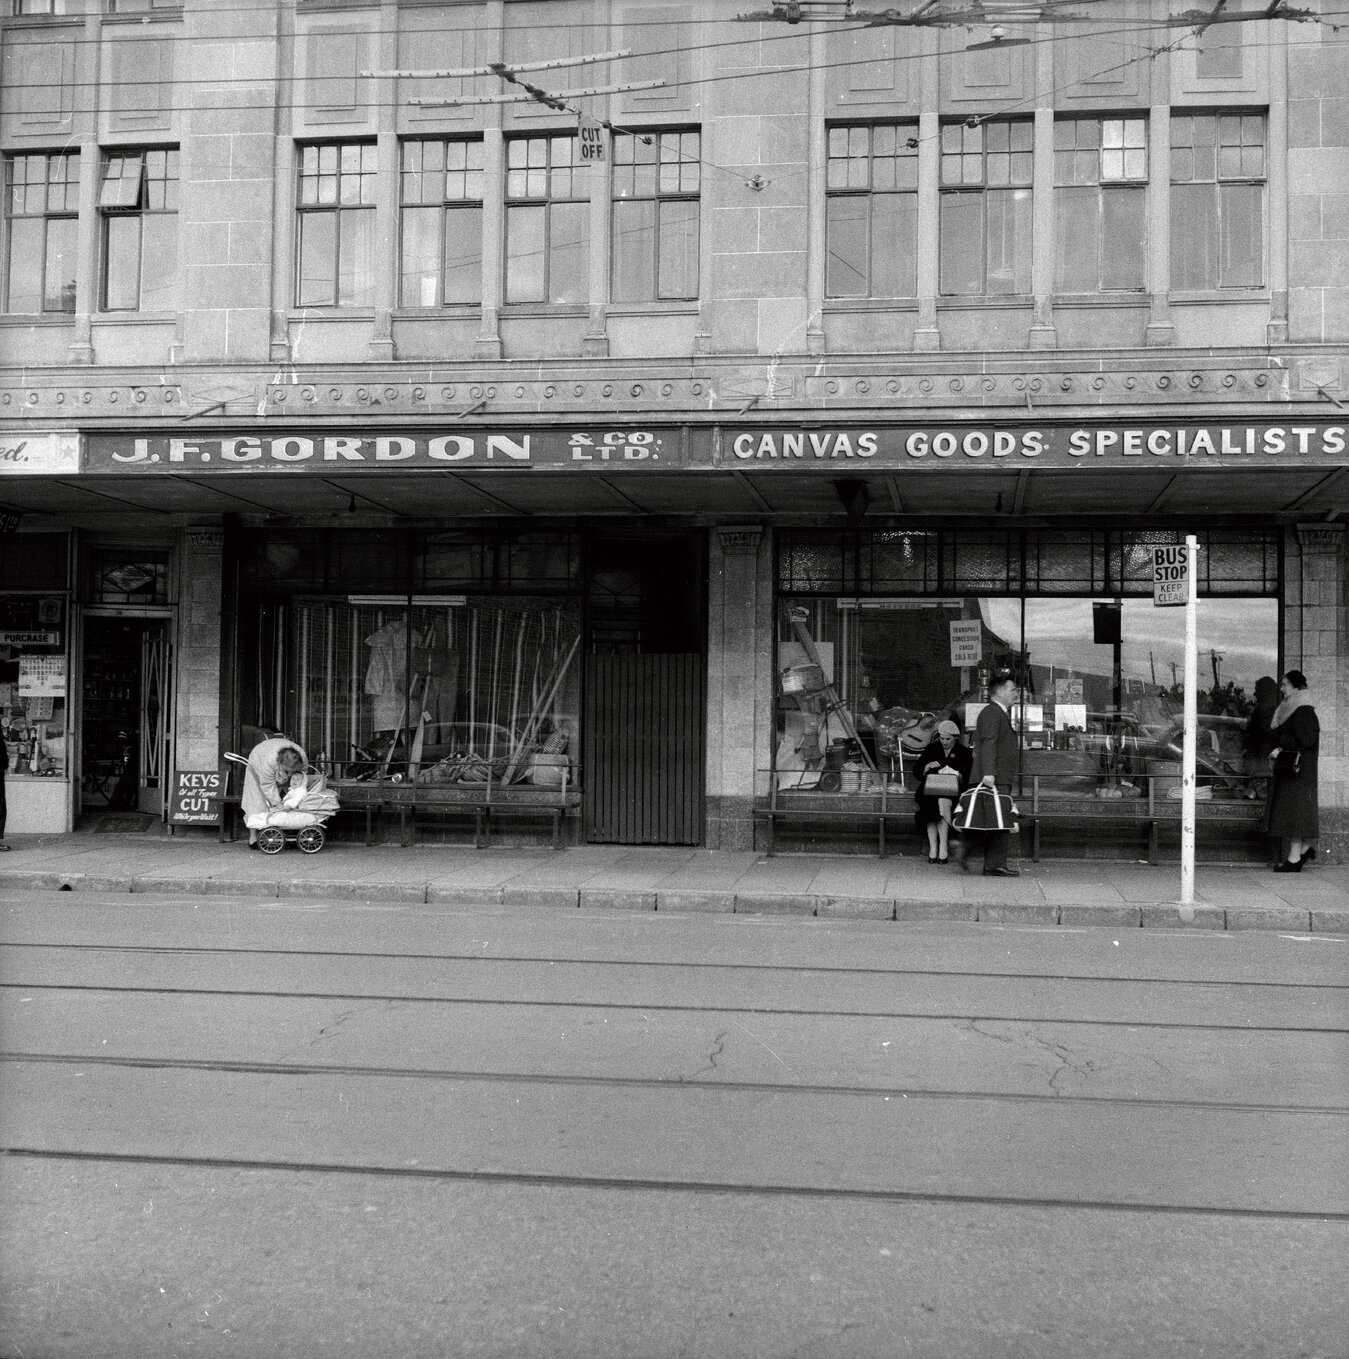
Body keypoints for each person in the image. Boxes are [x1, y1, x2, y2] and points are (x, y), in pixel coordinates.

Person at [965, 670, 1021, 877]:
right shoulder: (992, 712)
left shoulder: (997, 712)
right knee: (998, 820)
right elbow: (989, 741)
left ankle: (979, 856)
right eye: (1013, 690)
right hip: (994, 777)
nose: (1016, 693)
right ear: (999, 692)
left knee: (993, 820)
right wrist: (988, 772)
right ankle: (991, 862)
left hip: (998, 775)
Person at [1266, 670, 1319, 873]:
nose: (1281, 689)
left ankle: (1296, 857)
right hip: (1297, 769)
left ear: (1296, 687)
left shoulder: (1302, 708)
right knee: (1296, 812)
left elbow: (1305, 739)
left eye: (1285, 684)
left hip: (1298, 770)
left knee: (1295, 813)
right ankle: (1303, 851)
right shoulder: (1295, 707)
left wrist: (1281, 747)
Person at [913, 719, 973, 864]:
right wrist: (927, 767)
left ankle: (942, 847)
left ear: (955, 738)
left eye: (948, 739)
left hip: (952, 791)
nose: (944, 742)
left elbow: (969, 774)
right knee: (931, 804)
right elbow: (917, 771)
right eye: (942, 738)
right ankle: (934, 848)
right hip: (930, 790)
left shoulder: (964, 752)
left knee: (941, 802)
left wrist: (958, 774)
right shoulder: (931, 749)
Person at [241, 735, 307, 849]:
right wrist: (277, 803)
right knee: (256, 800)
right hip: (258, 759)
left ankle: (290, 831)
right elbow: (267, 785)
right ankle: (253, 837)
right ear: (280, 764)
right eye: (288, 771)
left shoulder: (303, 757)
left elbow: (303, 777)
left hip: (276, 758)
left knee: (293, 797)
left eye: (293, 772)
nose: (290, 775)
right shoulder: (270, 761)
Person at [1243, 676, 1279, 800]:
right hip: (1261, 754)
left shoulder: (1266, 711)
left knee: (1260, 788)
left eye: (1257, 689)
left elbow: (1262, 732)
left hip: (1262, 756)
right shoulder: (1269, 709)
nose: (1254, 693)